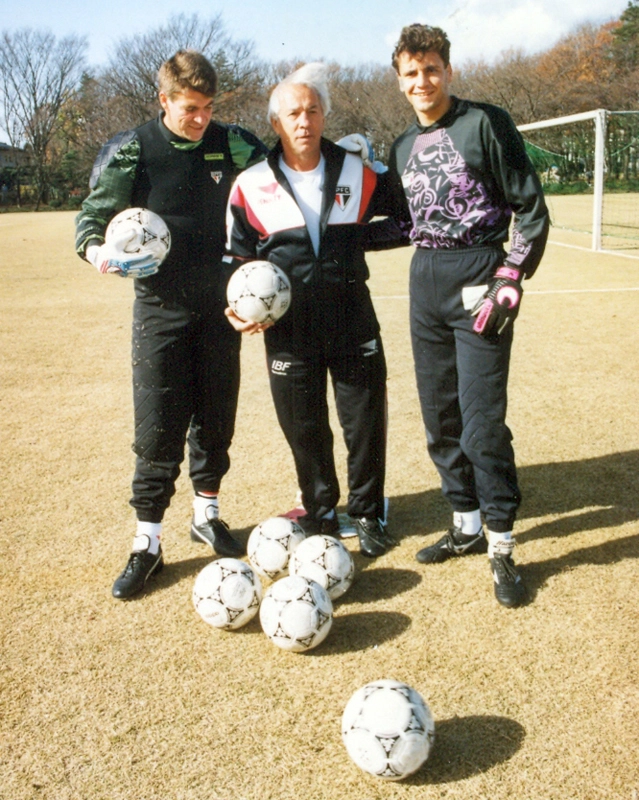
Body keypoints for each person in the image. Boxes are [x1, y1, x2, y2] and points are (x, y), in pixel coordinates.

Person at [75, 50, 268, 599]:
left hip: (222, 308)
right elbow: (91, 218)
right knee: (158, 424)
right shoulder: (133, 149)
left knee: (215, 416)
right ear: (164, 100)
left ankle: (207, 515)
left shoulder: (235, 142)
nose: (200, 118)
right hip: (159, 309)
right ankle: (148, 542)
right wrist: (99, 254)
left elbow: (275, 186)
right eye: (189, 108)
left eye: (207, 107)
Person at [387, 24, 549, 607]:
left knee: (482, 423)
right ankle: (465, 525)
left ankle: (502, 545)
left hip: (480, 277)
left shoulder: (485, 122)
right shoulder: (402, 145)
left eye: (431, 69)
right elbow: (402, 224)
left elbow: (529, 207)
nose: (422, 82)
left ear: (448, 71)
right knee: (441, 417)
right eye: (411, 73)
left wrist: (509, 276)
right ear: (400, 81)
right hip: (425, 281)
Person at [224, 63, 406, 558]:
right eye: (292, 113)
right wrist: (237, 309)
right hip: (289, 327)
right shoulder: (250, 183)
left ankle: (368, 513)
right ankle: (322, 514)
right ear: (276, 123)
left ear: (324, 115)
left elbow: (408, 219)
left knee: (364, 420)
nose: (303, 120)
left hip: (352, 316)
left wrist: (353, 241)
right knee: (303, 425)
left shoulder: (358, 169)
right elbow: (238, 259)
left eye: (312, 110)